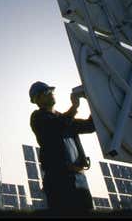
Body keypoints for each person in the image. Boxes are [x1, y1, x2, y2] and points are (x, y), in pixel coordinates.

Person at [29, 81, 96, 214]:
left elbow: (90, 126)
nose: (51, 94)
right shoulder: (38, 117)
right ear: (37, 99)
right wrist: (74, 107)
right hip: (59, 179)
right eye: (46, 92)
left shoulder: (63, 118)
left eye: (51, 91)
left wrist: (94, 100)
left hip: (79, 177)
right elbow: (56, 127)